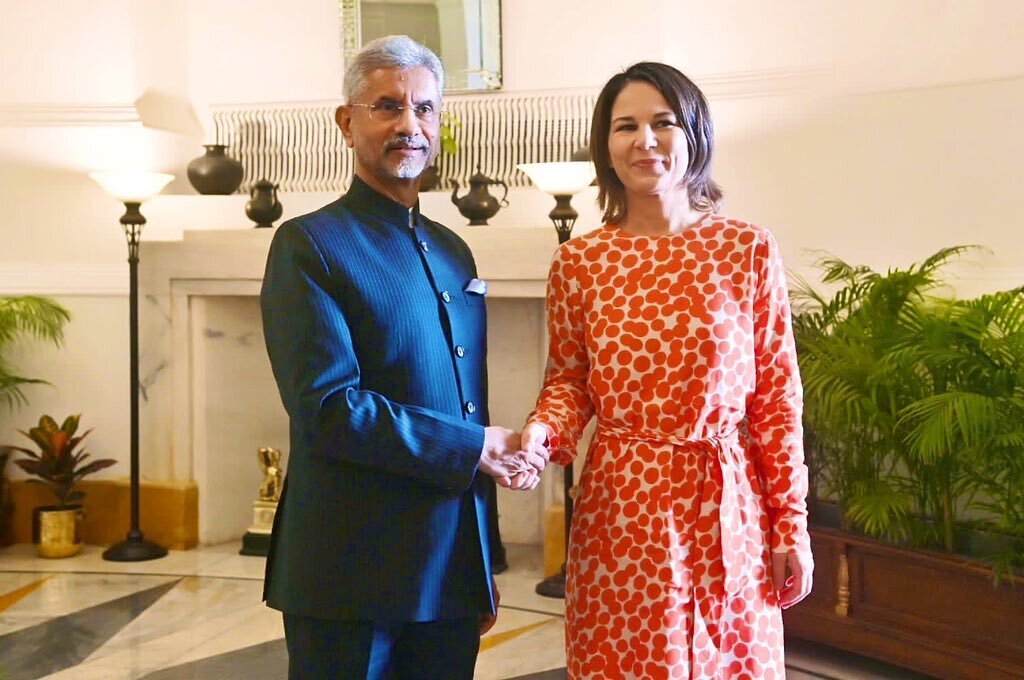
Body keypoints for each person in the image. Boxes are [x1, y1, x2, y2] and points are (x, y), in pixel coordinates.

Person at [260, 35, 546, 679]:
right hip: (348, 576)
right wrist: (477, 446)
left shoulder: (454, 250)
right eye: (387, 106)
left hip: (448, 572)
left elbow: (468, 407)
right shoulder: (308, 244)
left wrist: (481, 563)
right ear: (347, 122)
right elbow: (328, 409)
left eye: (424, 108)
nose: (409, 125)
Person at [521, 62, 813, 679]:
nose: (644, 140)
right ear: (606, 145)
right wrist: (543, 432)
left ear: (695, 133)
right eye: (625, 126)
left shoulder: (746, 250)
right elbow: (568, 382)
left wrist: (791, 525)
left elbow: (777, 400)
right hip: (622, 509)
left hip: (726, 505)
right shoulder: (579, 263)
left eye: (663, 122)